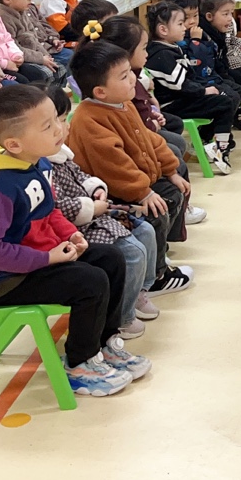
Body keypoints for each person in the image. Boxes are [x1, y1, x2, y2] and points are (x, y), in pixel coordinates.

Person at [0, 85, 149, 396]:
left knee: (110, 259)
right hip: (4, 281)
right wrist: (48, 258)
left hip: (34, 260)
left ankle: (104, 344)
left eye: (57, 120)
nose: (60, 129)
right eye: (47, 126)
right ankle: (80, 363)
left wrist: (70, 233)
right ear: (14, 143)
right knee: (89, 281)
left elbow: (49, 211)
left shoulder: (36, 162)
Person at [67, 39, 195, 297]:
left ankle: (157, 255)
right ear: (100, 91)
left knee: (173, 190)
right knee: (158, 209)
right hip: (110, 192)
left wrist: (171, 170)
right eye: (124, 76)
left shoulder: (123, 104)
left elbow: (150, 139)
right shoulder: (89, 119)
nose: (133, 80)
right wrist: (144, 193)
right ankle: (155, 279)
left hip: (133, 184)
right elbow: (114, 167)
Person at [40, 83, 159, 340]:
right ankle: (123, 317)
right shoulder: (41, 166)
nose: (64, 127)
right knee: (133, 252)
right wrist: (91, 208)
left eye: (63, 119)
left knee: (147, 231)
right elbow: (55, 209)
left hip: (93, 216)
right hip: (78, 227)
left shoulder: (60, 154)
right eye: (57, 121)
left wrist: (95, 188)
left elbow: (81, 175)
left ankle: (137, 292)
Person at [98, 15, 200, 185]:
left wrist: (153, 115)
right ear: (126, 52)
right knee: (174, 153)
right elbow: (133, 121)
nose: (147, 53)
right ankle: (168, 186)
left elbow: (141, 107)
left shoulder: (133, 74)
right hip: (136, 139)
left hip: (144, 129)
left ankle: (172, 182)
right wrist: (152, 124)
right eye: (144, 48)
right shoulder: (120, 86)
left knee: (177, 141)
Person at [145, 1, 238, 172]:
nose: (185, 27)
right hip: (172, 105)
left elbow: (189, 78)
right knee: (224, 103)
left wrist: (206, 87)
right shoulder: (161, 54)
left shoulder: (171, 47)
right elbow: (180, 85)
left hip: (181, 98)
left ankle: (214, 143)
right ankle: (219, 147)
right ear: (163, 30)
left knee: (227, 96)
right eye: (180, 24)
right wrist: (204, 91)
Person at [0, 0, 68, 78]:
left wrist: (46, 55)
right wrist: (41, 58)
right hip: (21, 59)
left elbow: (34, 36)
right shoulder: (2, 16)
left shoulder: (23, 10)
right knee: (47, 72)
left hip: (37, 53)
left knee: (59, 68)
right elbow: (14, 47)